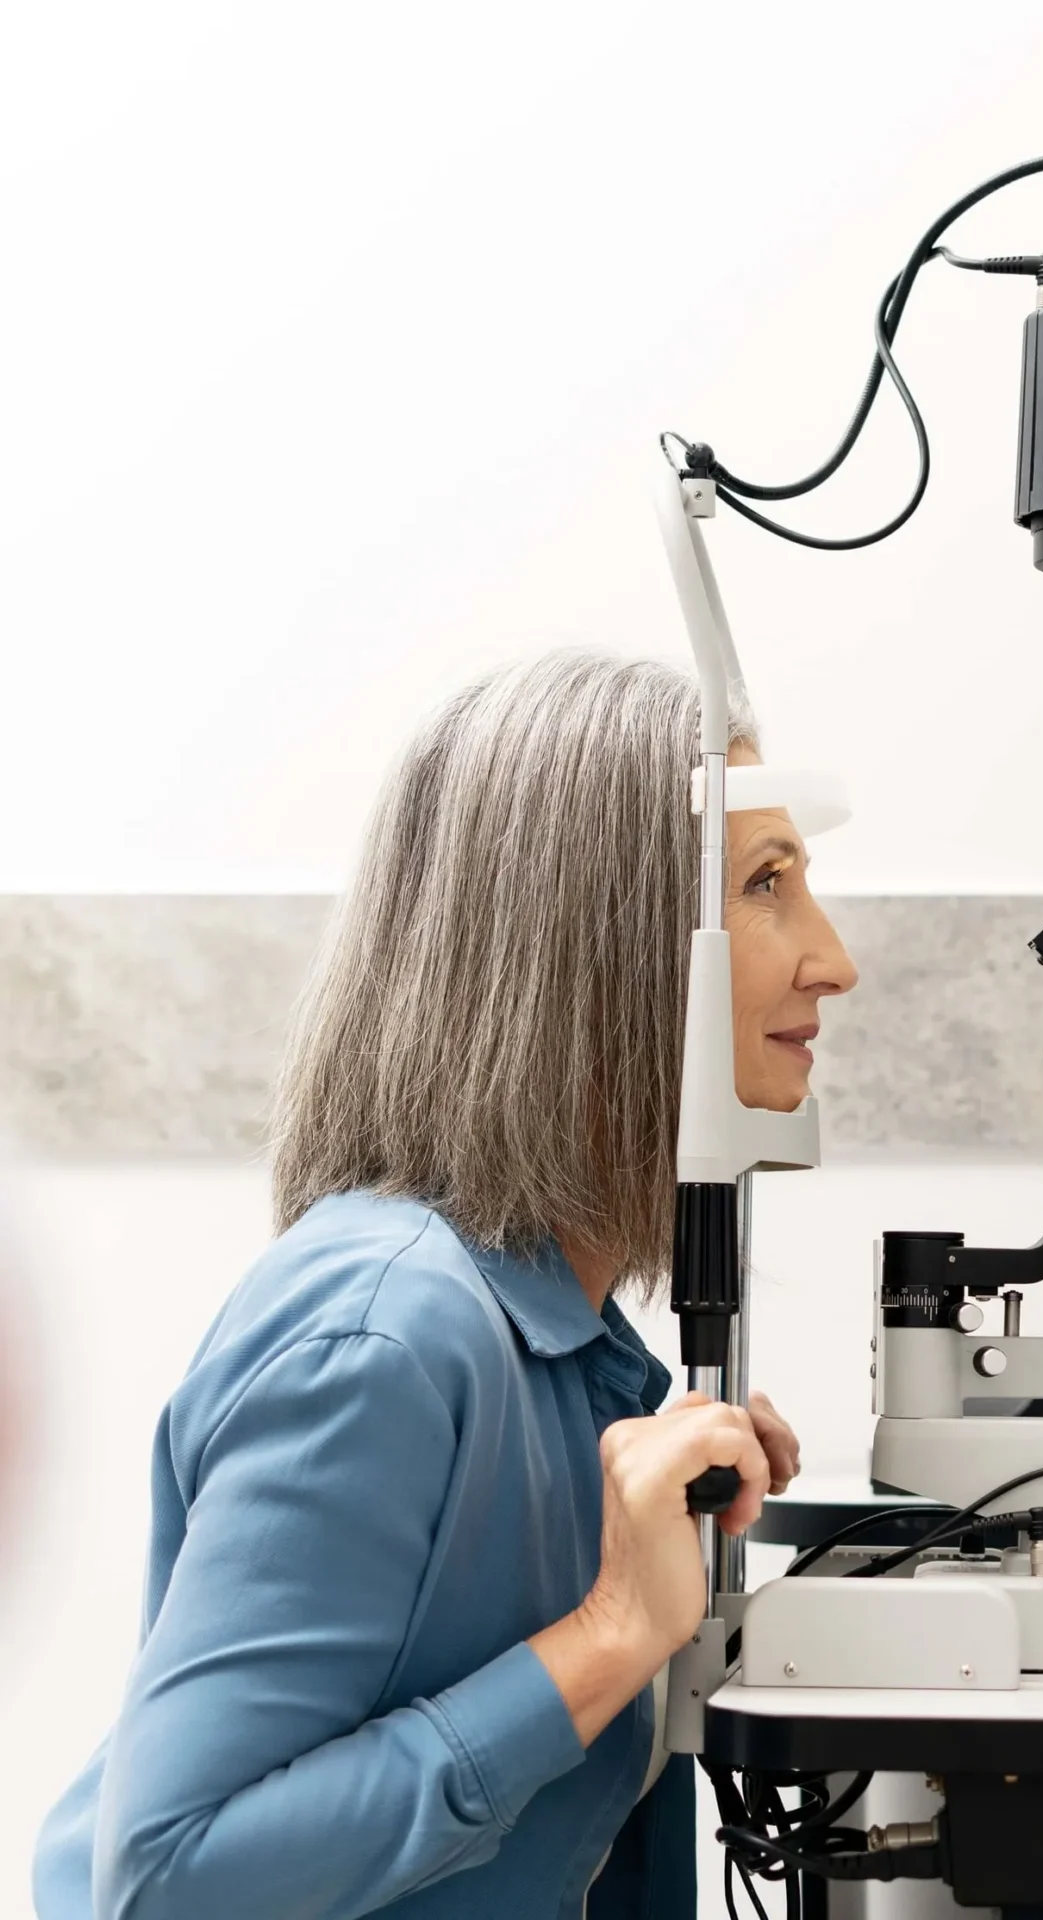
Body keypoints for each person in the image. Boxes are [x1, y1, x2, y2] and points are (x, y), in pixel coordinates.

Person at [35, 650, 856, 1919]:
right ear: (599, 949)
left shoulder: (577, 1354)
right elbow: (169, 1881)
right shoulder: (386, 1335)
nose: (831, 960)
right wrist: (604, 1638)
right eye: (765, 886)